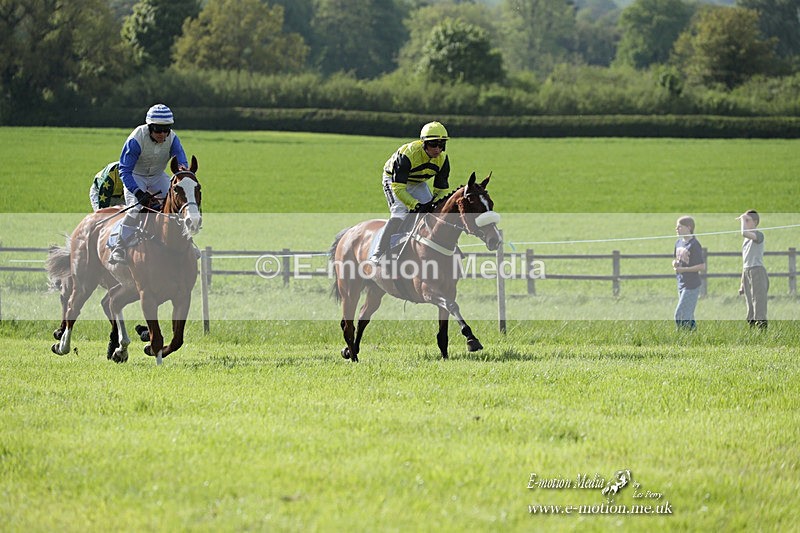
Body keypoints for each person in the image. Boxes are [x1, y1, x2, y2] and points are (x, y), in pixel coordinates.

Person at [109, 104, 189, 264]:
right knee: (136, 209)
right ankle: (119, 246)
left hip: (158, 176)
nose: (162, 134)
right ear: (149, 127)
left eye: (166, 130)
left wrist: (183, 170)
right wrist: (138, 193)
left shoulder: (173, 138)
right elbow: (124, 171)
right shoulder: (136, 139)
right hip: (135, 176)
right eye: (158, 130)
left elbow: (182, 161)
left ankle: (188, 243)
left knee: (177, 203)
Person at [369, 121, 451, 264]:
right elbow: (399, 188)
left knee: (432, 213)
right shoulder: (407, 155)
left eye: (441, 144)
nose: (438, 149)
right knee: (400, 214)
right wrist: (415, 204)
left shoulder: (443, 160)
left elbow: (440, 189)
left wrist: (432, 203)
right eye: (433, 144)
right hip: (394, 181)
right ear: (424, 143)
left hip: (418, 183)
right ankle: (378, 252)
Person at [672, 216, 705, 329]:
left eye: (680, 227)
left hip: (691, 285)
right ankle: (693, 338)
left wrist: (684, 270)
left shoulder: (694, 244)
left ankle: (682, 338)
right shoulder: (678, 243)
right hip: (681, 283)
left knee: (680, 314)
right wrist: (675, 264)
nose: (677, 229)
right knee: (688, 315)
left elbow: (701, 266)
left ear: (689, 227)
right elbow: (676, 259)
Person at [738, 210, 768, 329]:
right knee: (749, 303)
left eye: (747, 220)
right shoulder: (746, 240)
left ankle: (762, 329)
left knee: (758, 302)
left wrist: (741, 219)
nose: (745, 222)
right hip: (747, 271)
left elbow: (744, 233)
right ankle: (752, 329)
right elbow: (745, 262)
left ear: (755, 222)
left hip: (757, 271)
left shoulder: (758, 235)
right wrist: (742, 283)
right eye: (744, 220)